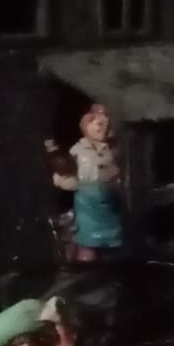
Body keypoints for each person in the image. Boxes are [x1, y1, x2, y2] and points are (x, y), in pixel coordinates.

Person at [47, 104, 124, 262]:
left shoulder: (112, 150)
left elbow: (121, 172)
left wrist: (117, 179)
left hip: (110, 206)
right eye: (97, 123)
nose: (102, 127)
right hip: (87, 206)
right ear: (85, 125)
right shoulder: (78, 150)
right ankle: (85, 268)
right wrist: (63, 180)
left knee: (113, 247)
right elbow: (68, 172)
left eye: (105, 124)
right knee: (87, 245)